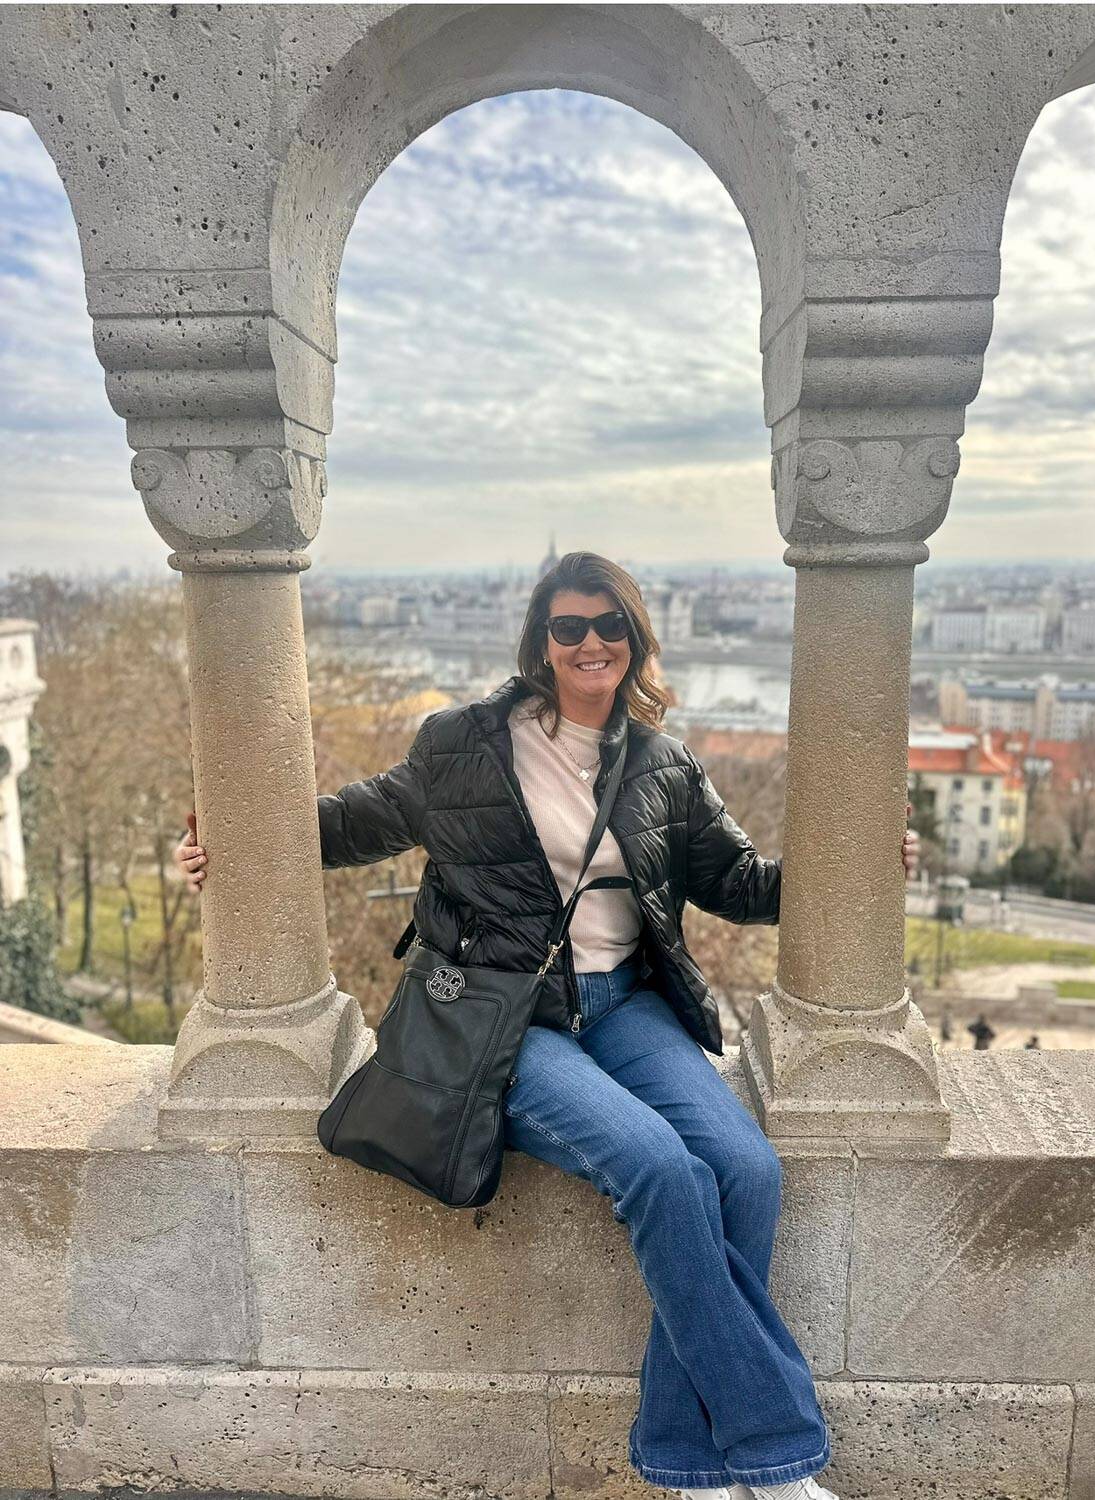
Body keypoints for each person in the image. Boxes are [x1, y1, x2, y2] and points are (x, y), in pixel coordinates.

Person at [176, 550, 920, 1500]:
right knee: (659, 1166)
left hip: (627, 1007)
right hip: (504, 1019)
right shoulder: (462, 745)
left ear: (635, 639)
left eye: (610, 626)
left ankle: (686, 1464)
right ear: (539, 641)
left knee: (747, 1170)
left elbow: (740, 885)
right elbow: (344, 826)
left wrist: (864, 857)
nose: (590, 643)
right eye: (568, 627)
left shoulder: (662, 765)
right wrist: (220, 845)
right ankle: (775, 1456)